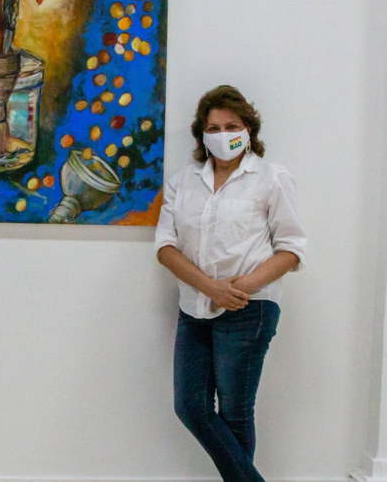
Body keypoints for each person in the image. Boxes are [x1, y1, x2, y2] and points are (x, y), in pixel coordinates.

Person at [154, 85, 307, 482]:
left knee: (236, 411)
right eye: (213, 128)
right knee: (191, 406)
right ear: (202, 134)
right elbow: (165, 248)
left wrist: (242, 288)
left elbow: (291, 249)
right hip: (194, 306)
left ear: (248, 129)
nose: (223, 135)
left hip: (249, 309)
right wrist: (210, 287)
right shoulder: (183, 182)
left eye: (231, 126)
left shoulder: (271, 178)